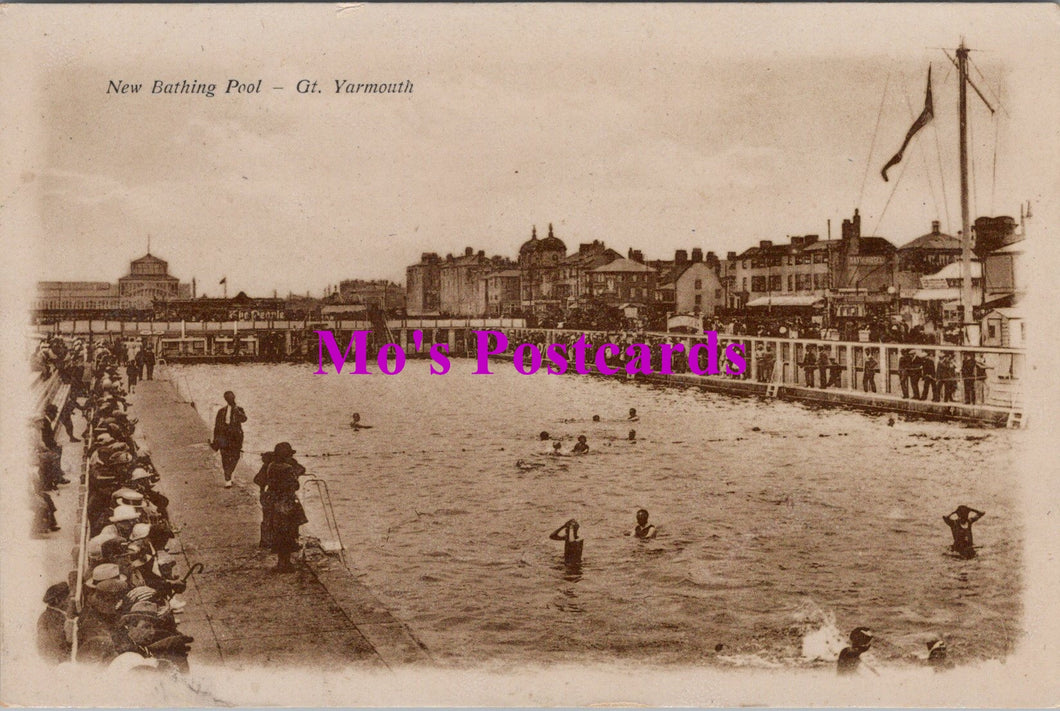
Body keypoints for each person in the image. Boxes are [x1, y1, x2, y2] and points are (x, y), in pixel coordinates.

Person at [254, 442, 308, 572]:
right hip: (286, 503)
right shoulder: (288, 468)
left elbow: (261, 480)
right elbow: (294, 486)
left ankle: (280, 562)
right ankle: (286, 564)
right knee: (288, 532)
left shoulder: (271, 465)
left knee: (278, 532)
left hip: (274, 502)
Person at [212, 391, 247, 487]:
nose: (231, 400)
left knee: (236, 456)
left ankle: (229, 473)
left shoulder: (239, 409)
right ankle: (227, 477)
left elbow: (244, 419)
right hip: (224, 437)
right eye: (229, 398)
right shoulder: (221, 411)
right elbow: (217, 426)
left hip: (236, 438)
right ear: (226, 399)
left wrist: (236, 411)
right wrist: (215, 440)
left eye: (232, 398)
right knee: (225, 457)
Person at [37, 582, 71, 664]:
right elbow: (58, 647)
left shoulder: (52, 614)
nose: (69, 601)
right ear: (57, 600)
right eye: (67, 598)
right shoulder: (53, 619)